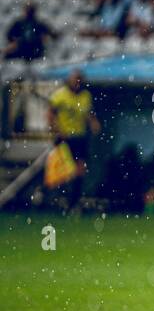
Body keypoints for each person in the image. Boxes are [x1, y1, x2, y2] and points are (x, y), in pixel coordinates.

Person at [47, 69, 102, 210]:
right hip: (64, 138)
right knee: (62, 170)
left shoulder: (85, 96)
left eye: (79, 80)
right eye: (75, 80)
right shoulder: (60, 95)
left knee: (80, 170)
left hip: (79, 136)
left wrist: (93, 123)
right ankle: (55, 199)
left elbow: (88, 113)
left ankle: (73, 201)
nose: (77, 83)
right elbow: (50, 114)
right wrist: (57, 130)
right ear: (70, 80)